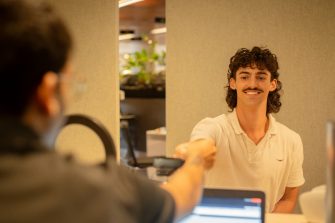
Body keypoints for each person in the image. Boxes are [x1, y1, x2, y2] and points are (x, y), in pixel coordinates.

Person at [0, 1, 216, 222]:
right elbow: (182, 195)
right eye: (68, 83)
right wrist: (196, 158)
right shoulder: (94, 192)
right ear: (48, 93)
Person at [188, 47, 305, 213]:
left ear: (273, 84)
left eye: (261, 77)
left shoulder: (291, 140)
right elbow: (200, 146)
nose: (252, 84)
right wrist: (192, 153)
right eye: (244, 76)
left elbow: (288, 197)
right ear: (233, 83)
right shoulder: (213, 127)